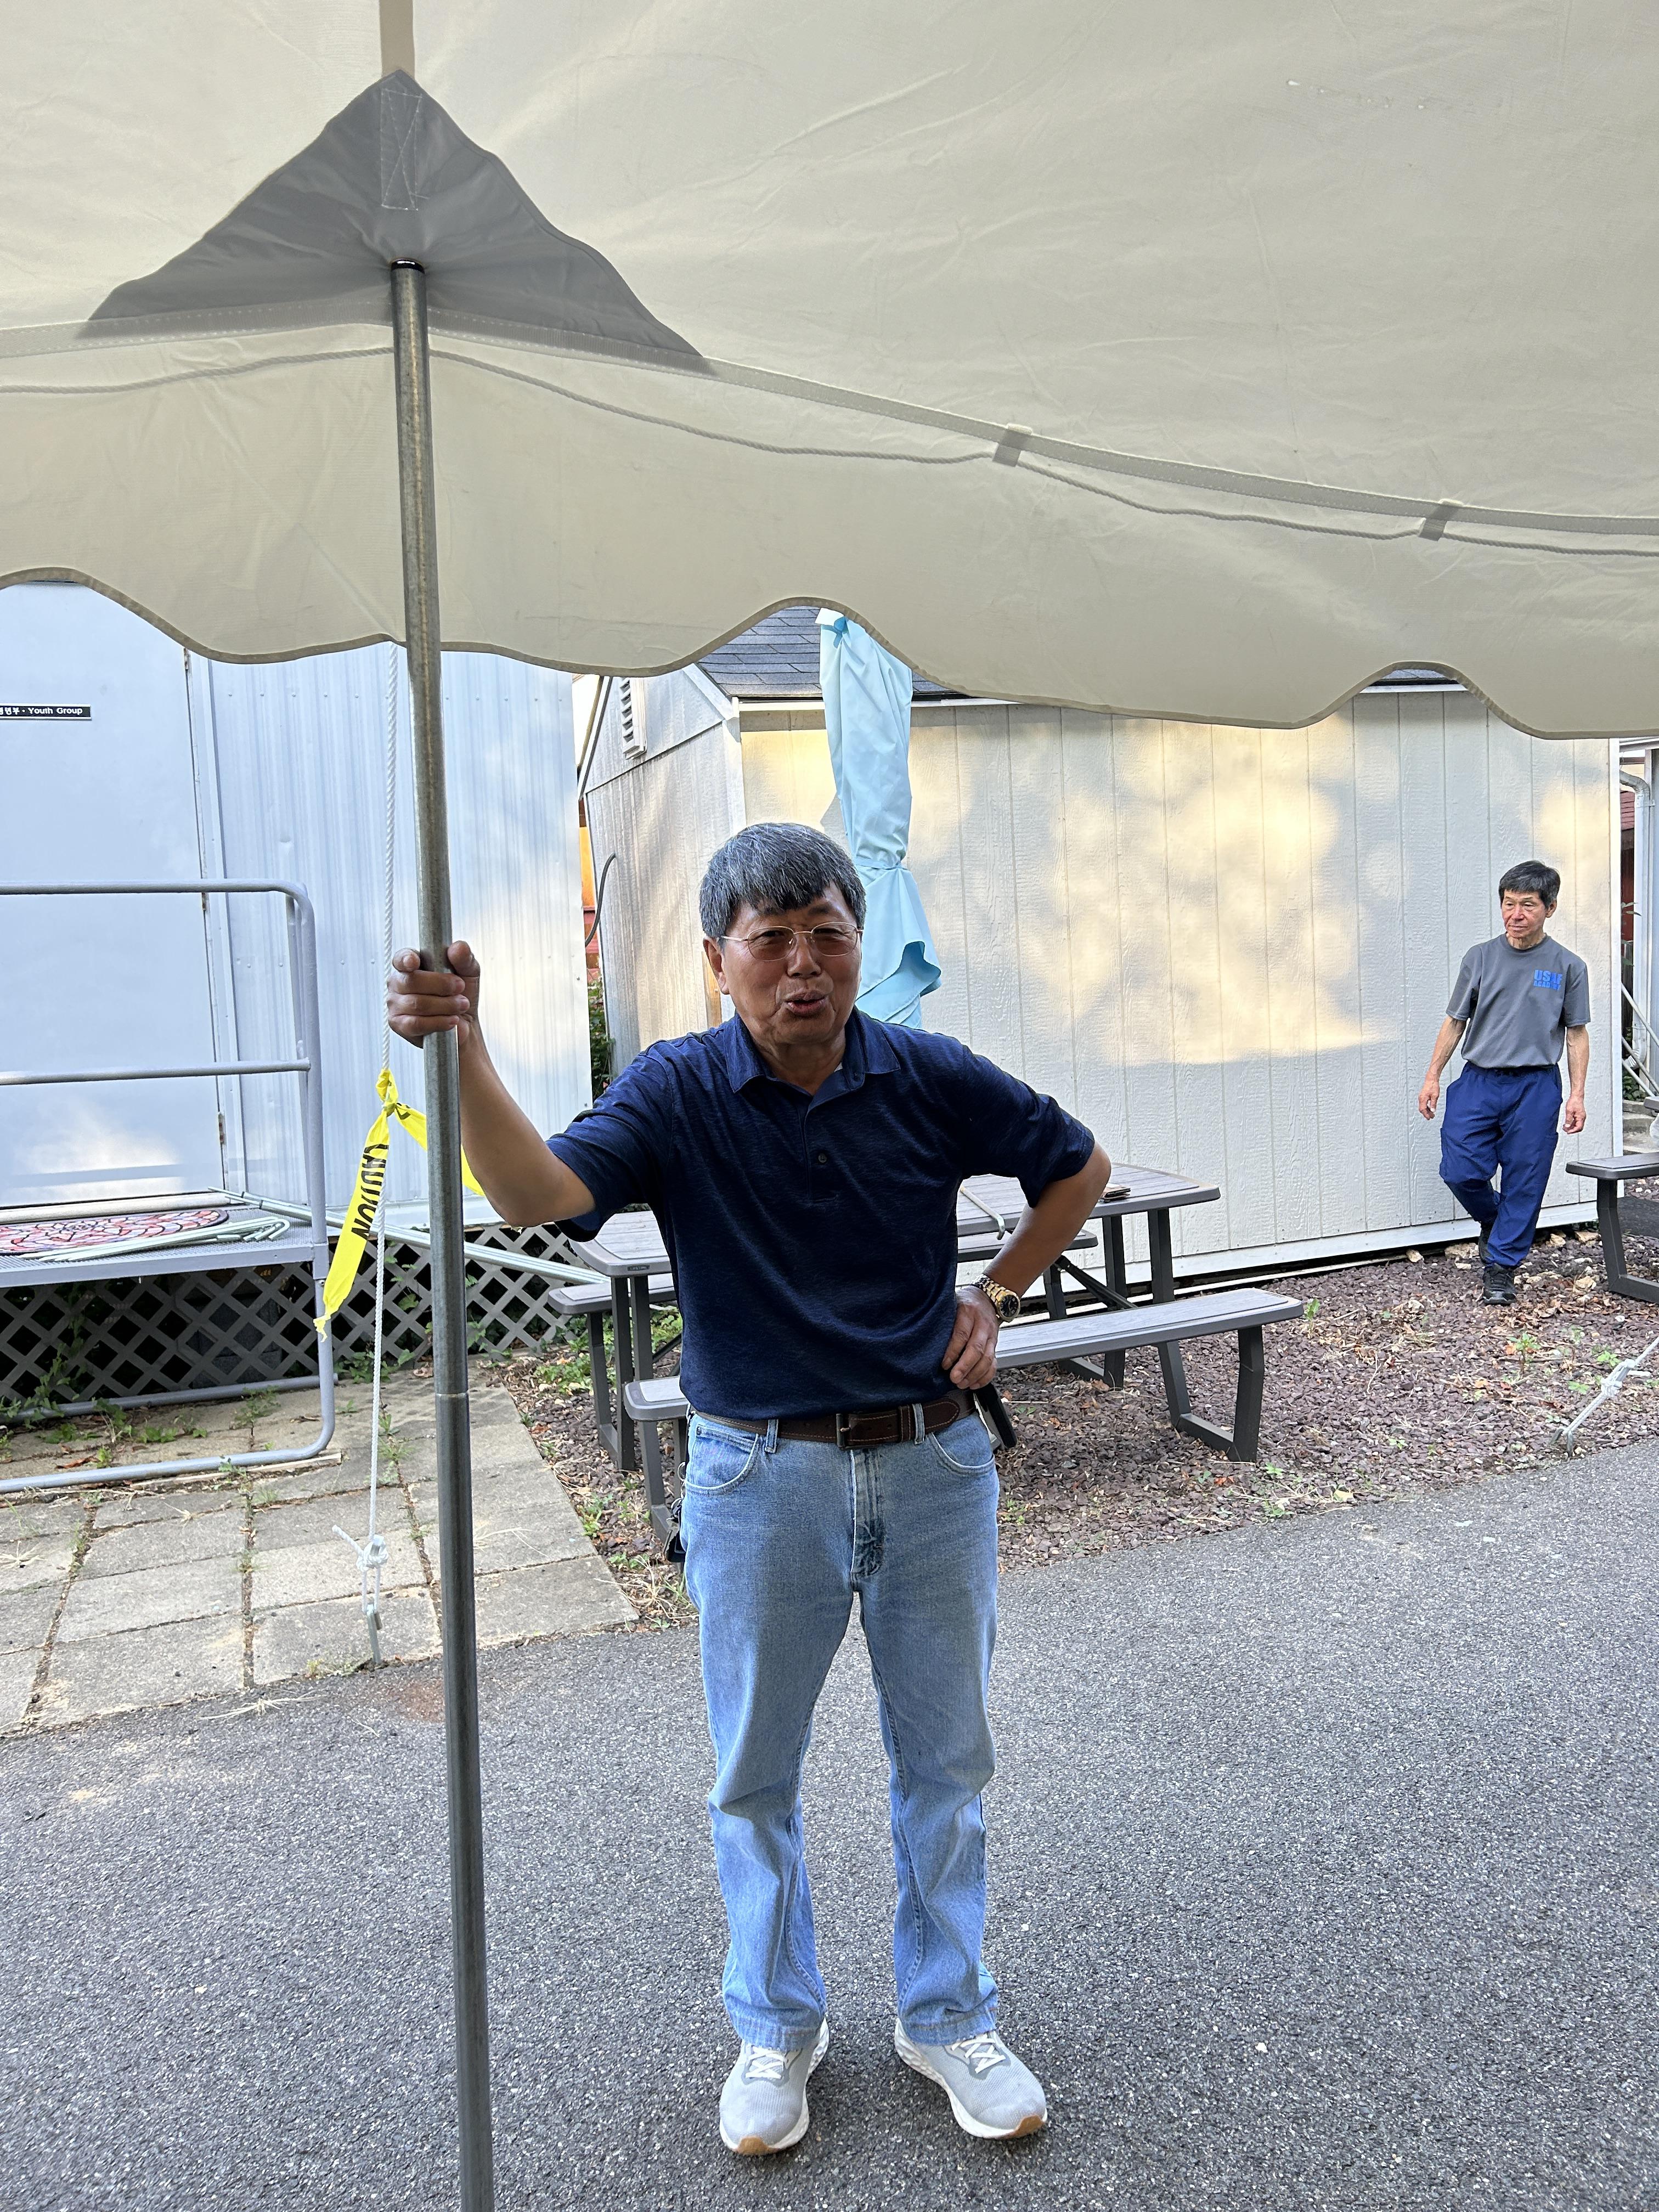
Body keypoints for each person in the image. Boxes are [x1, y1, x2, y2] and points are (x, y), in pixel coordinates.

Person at [387, 820, 1111, 2154]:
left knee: (947, 1763)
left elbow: (1077, 1168)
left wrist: (998, 1294)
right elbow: (540, 1195)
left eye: (827, 936)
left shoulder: (927, 1074)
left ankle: (947, 2014)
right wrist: (467, 1048)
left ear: (858, 947)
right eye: (770, 941)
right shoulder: (677, 1091)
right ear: (717, 959)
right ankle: (777, 2026)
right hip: (758, 1473)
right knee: (754, 1776)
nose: (802, 967)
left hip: (935, 1460)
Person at [1416, 860, 1590, 1306]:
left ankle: (1501, 1267)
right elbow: (1455, 1021)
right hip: (1479, 1080)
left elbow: (1576, 1033)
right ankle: (1495, 1219)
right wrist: (1433, 1076)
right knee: (1460, 1170)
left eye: (1527, 905)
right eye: (1509, 904)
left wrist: (1577, 1094)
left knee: (1526, 1177)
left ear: (1550, 908)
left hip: (1536, 1086)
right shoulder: (1479, 958)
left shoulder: (1568, 966)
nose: (1516, 914)